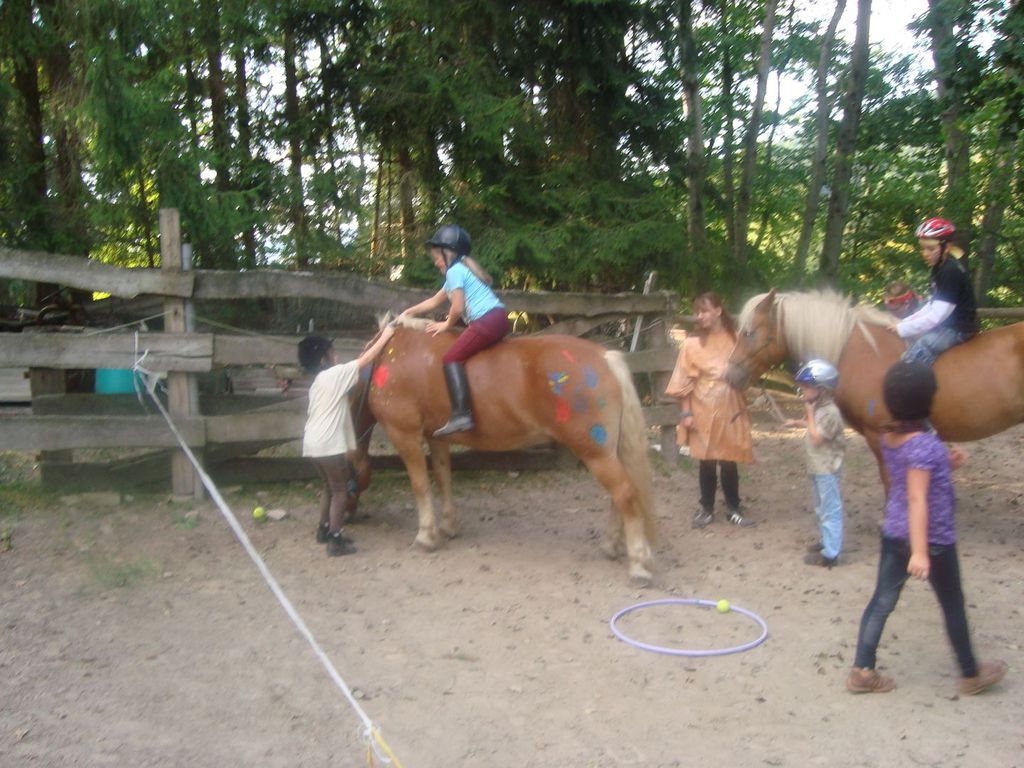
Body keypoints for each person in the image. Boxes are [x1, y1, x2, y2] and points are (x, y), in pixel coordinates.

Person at [846, 360, 1007, 695]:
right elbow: (917, 498)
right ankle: (970, 674)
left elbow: (911, 474)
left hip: (894, 532)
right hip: (933, 540)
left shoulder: (890, 436)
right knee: (952, 604)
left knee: (881, 602)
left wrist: (945, 464)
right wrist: (920, 552)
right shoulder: (926, 444)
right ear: (929, 400)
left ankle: (862, 669)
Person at [399, 225, 509, 437]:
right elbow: (434, 301)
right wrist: (409, 312)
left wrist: (446, 325)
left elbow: (457, 308)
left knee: (451, 358)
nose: (436, 262)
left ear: (448, 253)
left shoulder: (454, 272)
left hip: (487, 320)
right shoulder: (458, 272)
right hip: (497, 318)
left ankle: (461, 415)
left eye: (437, 258)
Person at [298, 325, 396, 556]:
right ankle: (336, 539)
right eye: (332, 352)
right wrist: (386, 335)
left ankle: (323, 529)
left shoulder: (319, 381)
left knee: (329, 487)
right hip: (328, 444)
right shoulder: (335, 375)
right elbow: (366, 361)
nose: (337, 355)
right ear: (323, 359)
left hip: (312, 443)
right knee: (341, 490)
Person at [665, 292, 755, 528]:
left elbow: (749, 372)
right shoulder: (691, 344)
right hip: (702, 408)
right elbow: (684, 381)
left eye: (704, 311)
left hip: (731, 407)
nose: (700, 316)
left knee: (729, 459)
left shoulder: (736, 339)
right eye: (697, 312)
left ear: (718, 311)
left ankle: (733, 508)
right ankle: (706, 509)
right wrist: (686, 413)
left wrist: (740, 376)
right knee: (706, 460)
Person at [784, 359, 846, 568]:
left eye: (806, 388)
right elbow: (813, 425)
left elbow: (817, 437)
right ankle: (826, 541)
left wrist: (809, 414)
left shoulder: (831, 412)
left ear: (822, 389)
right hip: (817, 466)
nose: (802, 391)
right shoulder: (821, 408)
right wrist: (797, 422)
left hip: (826, 468)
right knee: (821, 508)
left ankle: (831, 554)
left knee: (830, 510)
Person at [891, 218, 977, 365]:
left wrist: (903, 328)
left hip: (957, 329)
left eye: (931, 249)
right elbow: (932, 306)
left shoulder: (950, 271)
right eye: (923, 248)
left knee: (916, 354)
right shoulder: (938, 269)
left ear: (947, 247)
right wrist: (905, 322)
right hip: (948, 325)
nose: (925, 254)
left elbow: (937, 315)